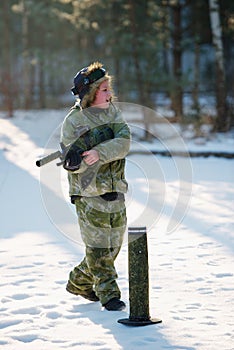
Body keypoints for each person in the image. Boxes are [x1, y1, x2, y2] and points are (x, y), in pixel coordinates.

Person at [60, 61, 131, 311]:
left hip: (115, 188)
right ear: (90, 94)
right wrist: (75, 161)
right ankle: (109, 294)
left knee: (113, 247)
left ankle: (78, 281)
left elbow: (124, 142)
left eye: (109, 88)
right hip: (88, 193)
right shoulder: (73, 121)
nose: (109, 94)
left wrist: (99, 152)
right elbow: (72, 162)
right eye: (104, 90)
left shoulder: (113, 113)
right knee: (99, 248)